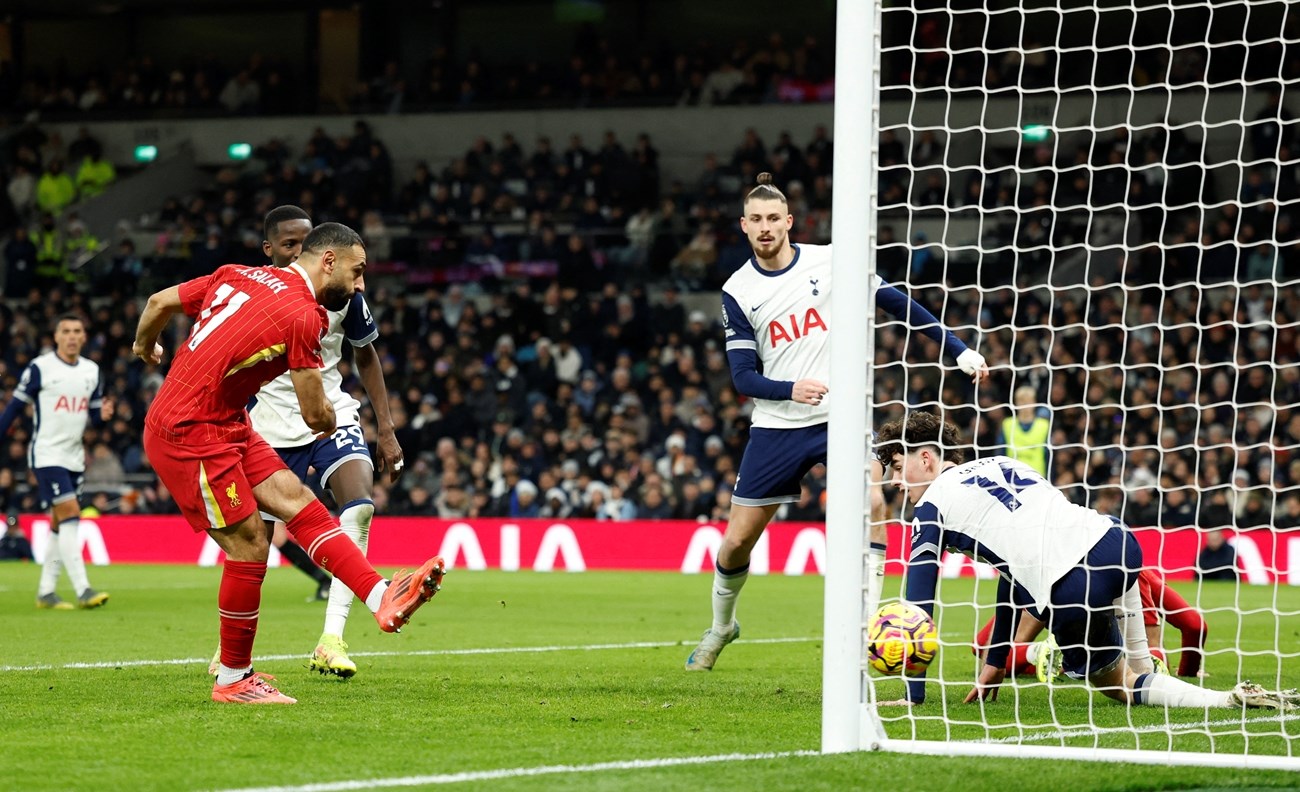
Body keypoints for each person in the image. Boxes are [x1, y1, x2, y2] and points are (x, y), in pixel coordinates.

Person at [684, 172, 990, 671]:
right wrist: (790, 389)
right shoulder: (737, 291)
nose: (765, 228)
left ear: (789, 221)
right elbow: (742, 377)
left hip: (839, 416)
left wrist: (957, 351)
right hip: (778, 425)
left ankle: (866, 629)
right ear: (743, 226)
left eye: (772, 219)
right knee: (738, 539)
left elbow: (896, 302)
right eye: (755, 220)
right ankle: (722, 625)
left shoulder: (830, 262)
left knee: (871, 498)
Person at [133, 222, 445, 704]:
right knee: (251, 546)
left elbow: (157, 303)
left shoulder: (236, 274)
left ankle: (381, 597)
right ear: (328, 262)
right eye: (358, 272)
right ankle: (233, 678)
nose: (361, 284)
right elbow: (314, 414)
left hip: (228, 421)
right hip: (190, 433)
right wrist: (329, 422)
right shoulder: (306, 317)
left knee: (298, 501)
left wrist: (142, 346)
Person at [875, 410, 1295, 711]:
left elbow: (917, 612)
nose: (895, 482)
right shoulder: (1002, 461)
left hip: (1074, 587)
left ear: (926, 458)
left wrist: (913, 693)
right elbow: (1010, 576)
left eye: (897, 466)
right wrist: (995, 661)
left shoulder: (930, 506)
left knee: (1120, 687)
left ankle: (1229, 699)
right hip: (1116, 542)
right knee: (1143, 671)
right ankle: (1159, 677)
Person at [219, 205, 403, 679]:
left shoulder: (343, 296)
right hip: (268, 429)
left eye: (307, 243)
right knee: (253, 542)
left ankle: (331, 638)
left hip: (330, 416)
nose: (300, 252)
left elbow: (366, 358)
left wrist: (385, 428)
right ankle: (234, 651)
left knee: (359, 507)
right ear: (269, 250)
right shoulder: (253, 291)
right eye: (288, 245)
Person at [0, 313, 112, 609]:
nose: (73, 336)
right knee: (71, 512)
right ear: (57, 336)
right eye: (66, 331)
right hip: (47, 454)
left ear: (84, 337)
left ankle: (46, 592)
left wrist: (104, 417)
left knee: (58, 522)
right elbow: (13, 408)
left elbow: (96, 420)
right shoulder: (40, 368)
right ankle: (83, 589)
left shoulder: (92, 371)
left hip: (74, 457)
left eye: (78, 330)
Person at [972, 567, 1208, 679]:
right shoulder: (1137, 569)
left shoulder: (1054, 568)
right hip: (1130, 650)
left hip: (1062, 594)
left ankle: (1041, 653)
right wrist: (1188, 671)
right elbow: (1196, 626)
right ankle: (1062, 657)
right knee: (1147, 660)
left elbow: (984, 646)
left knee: (987, 648)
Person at [998, 385, 1050, 478]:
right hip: (1012, 477)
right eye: (1022, 401)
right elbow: (1000, 452)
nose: (1025, 405)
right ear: (1016, 403)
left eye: (1029, 401)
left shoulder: (1044, 425)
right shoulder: (1007, 424)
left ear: (1034, 402)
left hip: (1038, 477)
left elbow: (1049, 456)